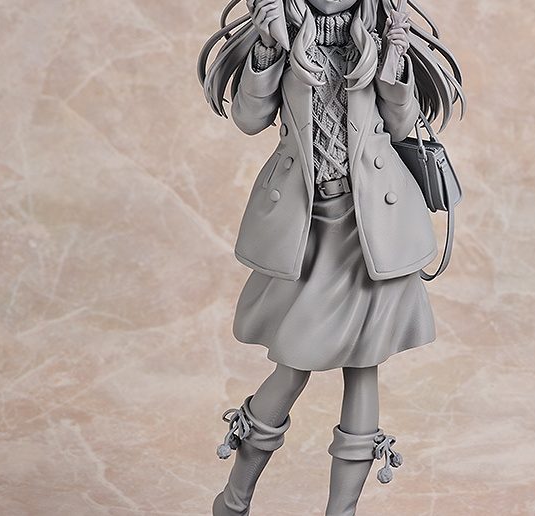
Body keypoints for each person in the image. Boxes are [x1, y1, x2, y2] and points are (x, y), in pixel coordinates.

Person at [197, 0, 465, 514]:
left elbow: (403, 126)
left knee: (364, 368)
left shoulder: (379, 37)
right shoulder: (281, 37)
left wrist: (393, 64)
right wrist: (267, 50)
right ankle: (233, 500)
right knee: (292, 365)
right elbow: (249, 119)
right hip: (307, 228)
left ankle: (340, 512)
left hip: (375, 231)